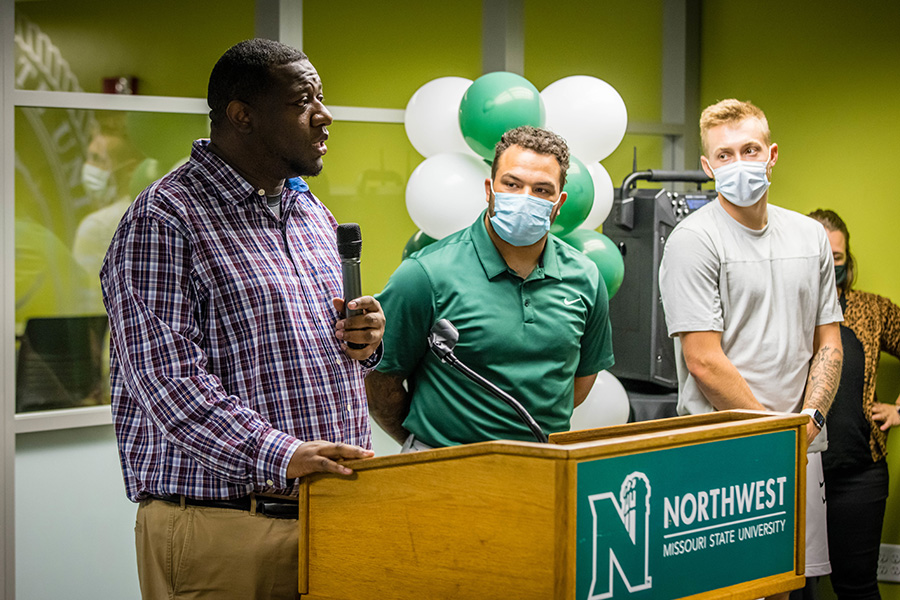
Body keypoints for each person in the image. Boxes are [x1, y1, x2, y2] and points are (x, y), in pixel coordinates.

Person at [100, 39, 385, 600]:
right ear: (242, 115)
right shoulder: (165, 219)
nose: (324, 115)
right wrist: (284, 454)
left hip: (335, 518)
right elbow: (168, 386)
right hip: (227, 530)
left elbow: (311, 347)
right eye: (304, 100)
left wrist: (365, 340)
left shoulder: (308, 211)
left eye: (322, 98)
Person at [658, 99, 844, 600]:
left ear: (772, 154)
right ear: (707, 166)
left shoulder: (809, 236)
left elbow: (829, 343)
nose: (737, 163)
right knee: (731, 588)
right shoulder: (694, 241)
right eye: (724, 155)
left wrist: (809, 421)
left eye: (749, 149)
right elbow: (702, 359)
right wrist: (774, 435)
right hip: (723, 452)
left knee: (786, 586)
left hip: (802, 444)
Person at [366, 126, 614, 450]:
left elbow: (577, 384)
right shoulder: (425, 274)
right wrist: (425, 445)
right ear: (489, 189)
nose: (525, 198)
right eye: (512, 184)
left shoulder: (585, 276)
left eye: (542, 190)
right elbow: (380, 382)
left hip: (545, 469)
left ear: (559, 202)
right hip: (445, 468)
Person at [808, 209, 900, 600]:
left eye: (839, 258)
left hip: (859, 476)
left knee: (857, 587)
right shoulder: (785, 308)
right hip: (795, 472)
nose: (831, 266)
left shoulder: (872, 309)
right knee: (792, 589)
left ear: (848, 261)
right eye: (822, 258)